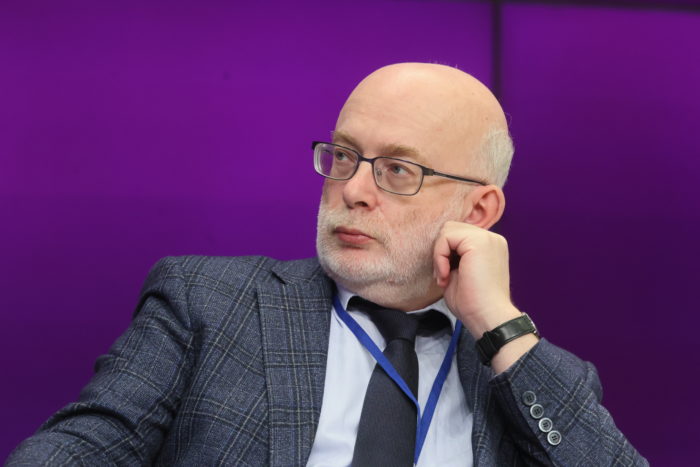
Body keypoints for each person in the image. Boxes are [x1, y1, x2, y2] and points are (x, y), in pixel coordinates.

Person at [7, 63, 647, 466]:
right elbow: (83, 446)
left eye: (398, 169)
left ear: (478, 210)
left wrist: (499, 326)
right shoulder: (207, 302)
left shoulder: (530, 374)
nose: (354, 189)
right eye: (343, 155)